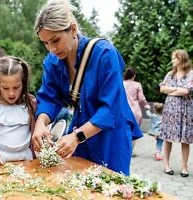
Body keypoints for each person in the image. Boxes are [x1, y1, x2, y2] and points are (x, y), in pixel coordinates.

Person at [31, 0, 142, 175]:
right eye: (45, 43)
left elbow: (111, 108)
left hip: (110, 136)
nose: (51, 49)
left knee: (111, 187)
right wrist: (40, 123)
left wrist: (77, 137)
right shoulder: (52, 62)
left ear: (73, 29)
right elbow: (49, 97)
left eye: (55, 40)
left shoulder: (104, 54)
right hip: (79, 134)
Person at [159, 49, 193, 177]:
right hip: (170, 110)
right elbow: (162, 89)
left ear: (181, 59)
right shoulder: (169, 74)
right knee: (168, 138)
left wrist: (171, 92)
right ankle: (167, 165)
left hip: (186, 110)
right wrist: (176, 89)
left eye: (174, 58)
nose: (172, 60)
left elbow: (186, 91)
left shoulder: (190, 74)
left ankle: (184, 167)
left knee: (185, 140)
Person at [123, 67, 150, 156]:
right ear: (134, 76)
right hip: (135, 111)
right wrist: (146, 106)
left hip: (123, 111)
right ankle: (130, 151)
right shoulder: (137, 85)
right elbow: (141, 99)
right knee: (133, 132)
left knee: (122, 131)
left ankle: (122, 149)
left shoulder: (121, 84)